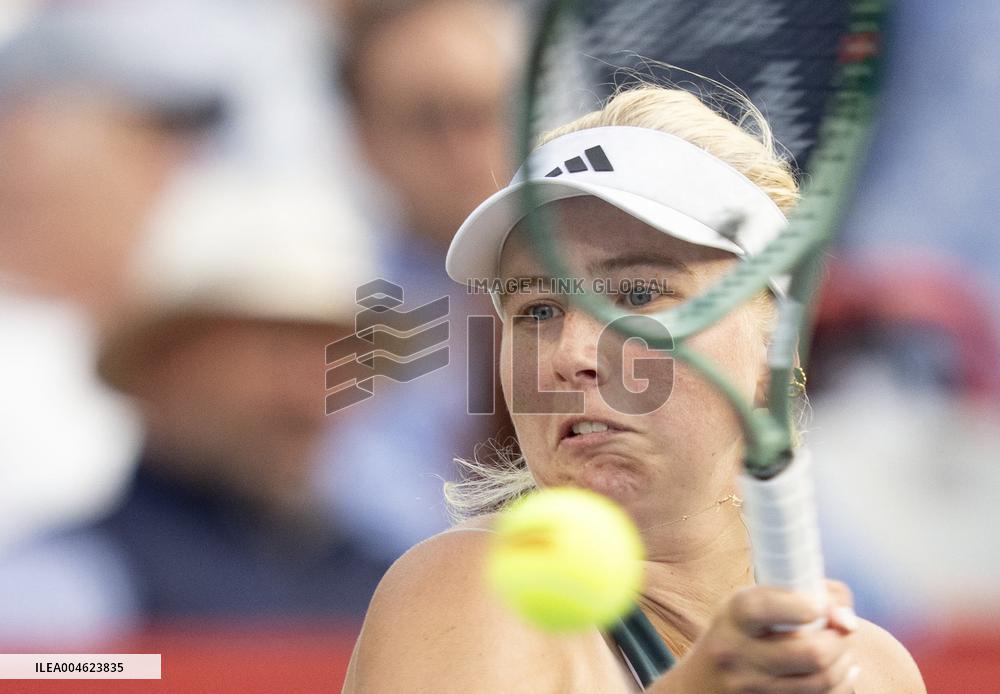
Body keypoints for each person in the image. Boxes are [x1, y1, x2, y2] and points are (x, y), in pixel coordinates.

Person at [342, 87, 926, 692]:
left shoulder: (878, 671)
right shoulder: (472, 582)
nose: (570, 356)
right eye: (538, 311)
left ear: (775, 350)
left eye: (640, 295)